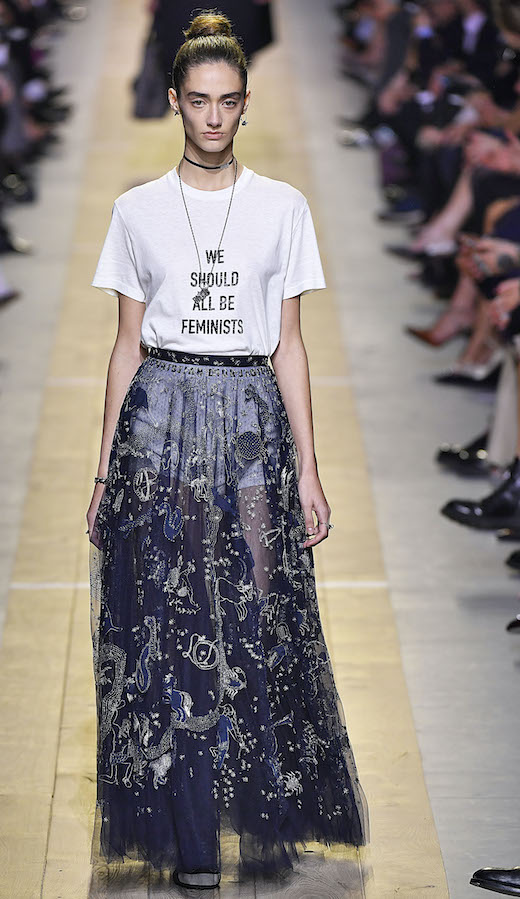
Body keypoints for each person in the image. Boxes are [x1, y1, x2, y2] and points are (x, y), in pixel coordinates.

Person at [86, 9, 368, 890]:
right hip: (160, 421)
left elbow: (289, 341)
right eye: (198, 101)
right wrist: (102, 471)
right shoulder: (135, 211)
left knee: (253, 616)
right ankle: (194, 835)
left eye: (228, 102)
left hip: (250, 423)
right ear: (174, 101)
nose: (213, 118)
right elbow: (126, 346)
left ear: (246, 105)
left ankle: (256, 810)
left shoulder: (283, 208)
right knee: (167, 628)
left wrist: (311, 469)